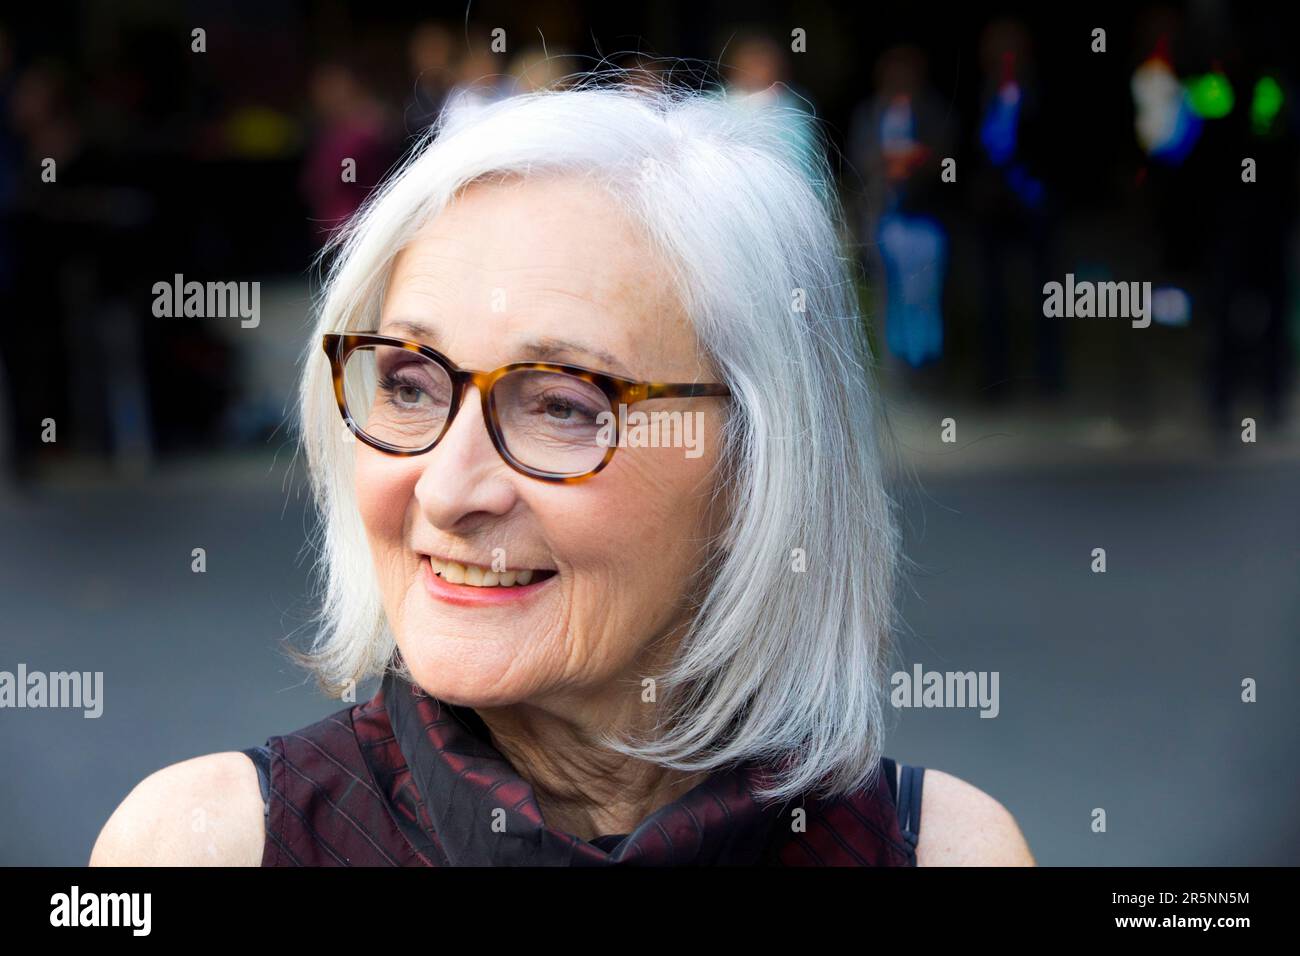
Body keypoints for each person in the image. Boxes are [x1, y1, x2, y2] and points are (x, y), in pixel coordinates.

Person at [90, 75, 1034, 866]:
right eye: (413, 386)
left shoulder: (946, 851)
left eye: (561, 406)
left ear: (760, 463)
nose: (450, 490)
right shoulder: (207, 846)